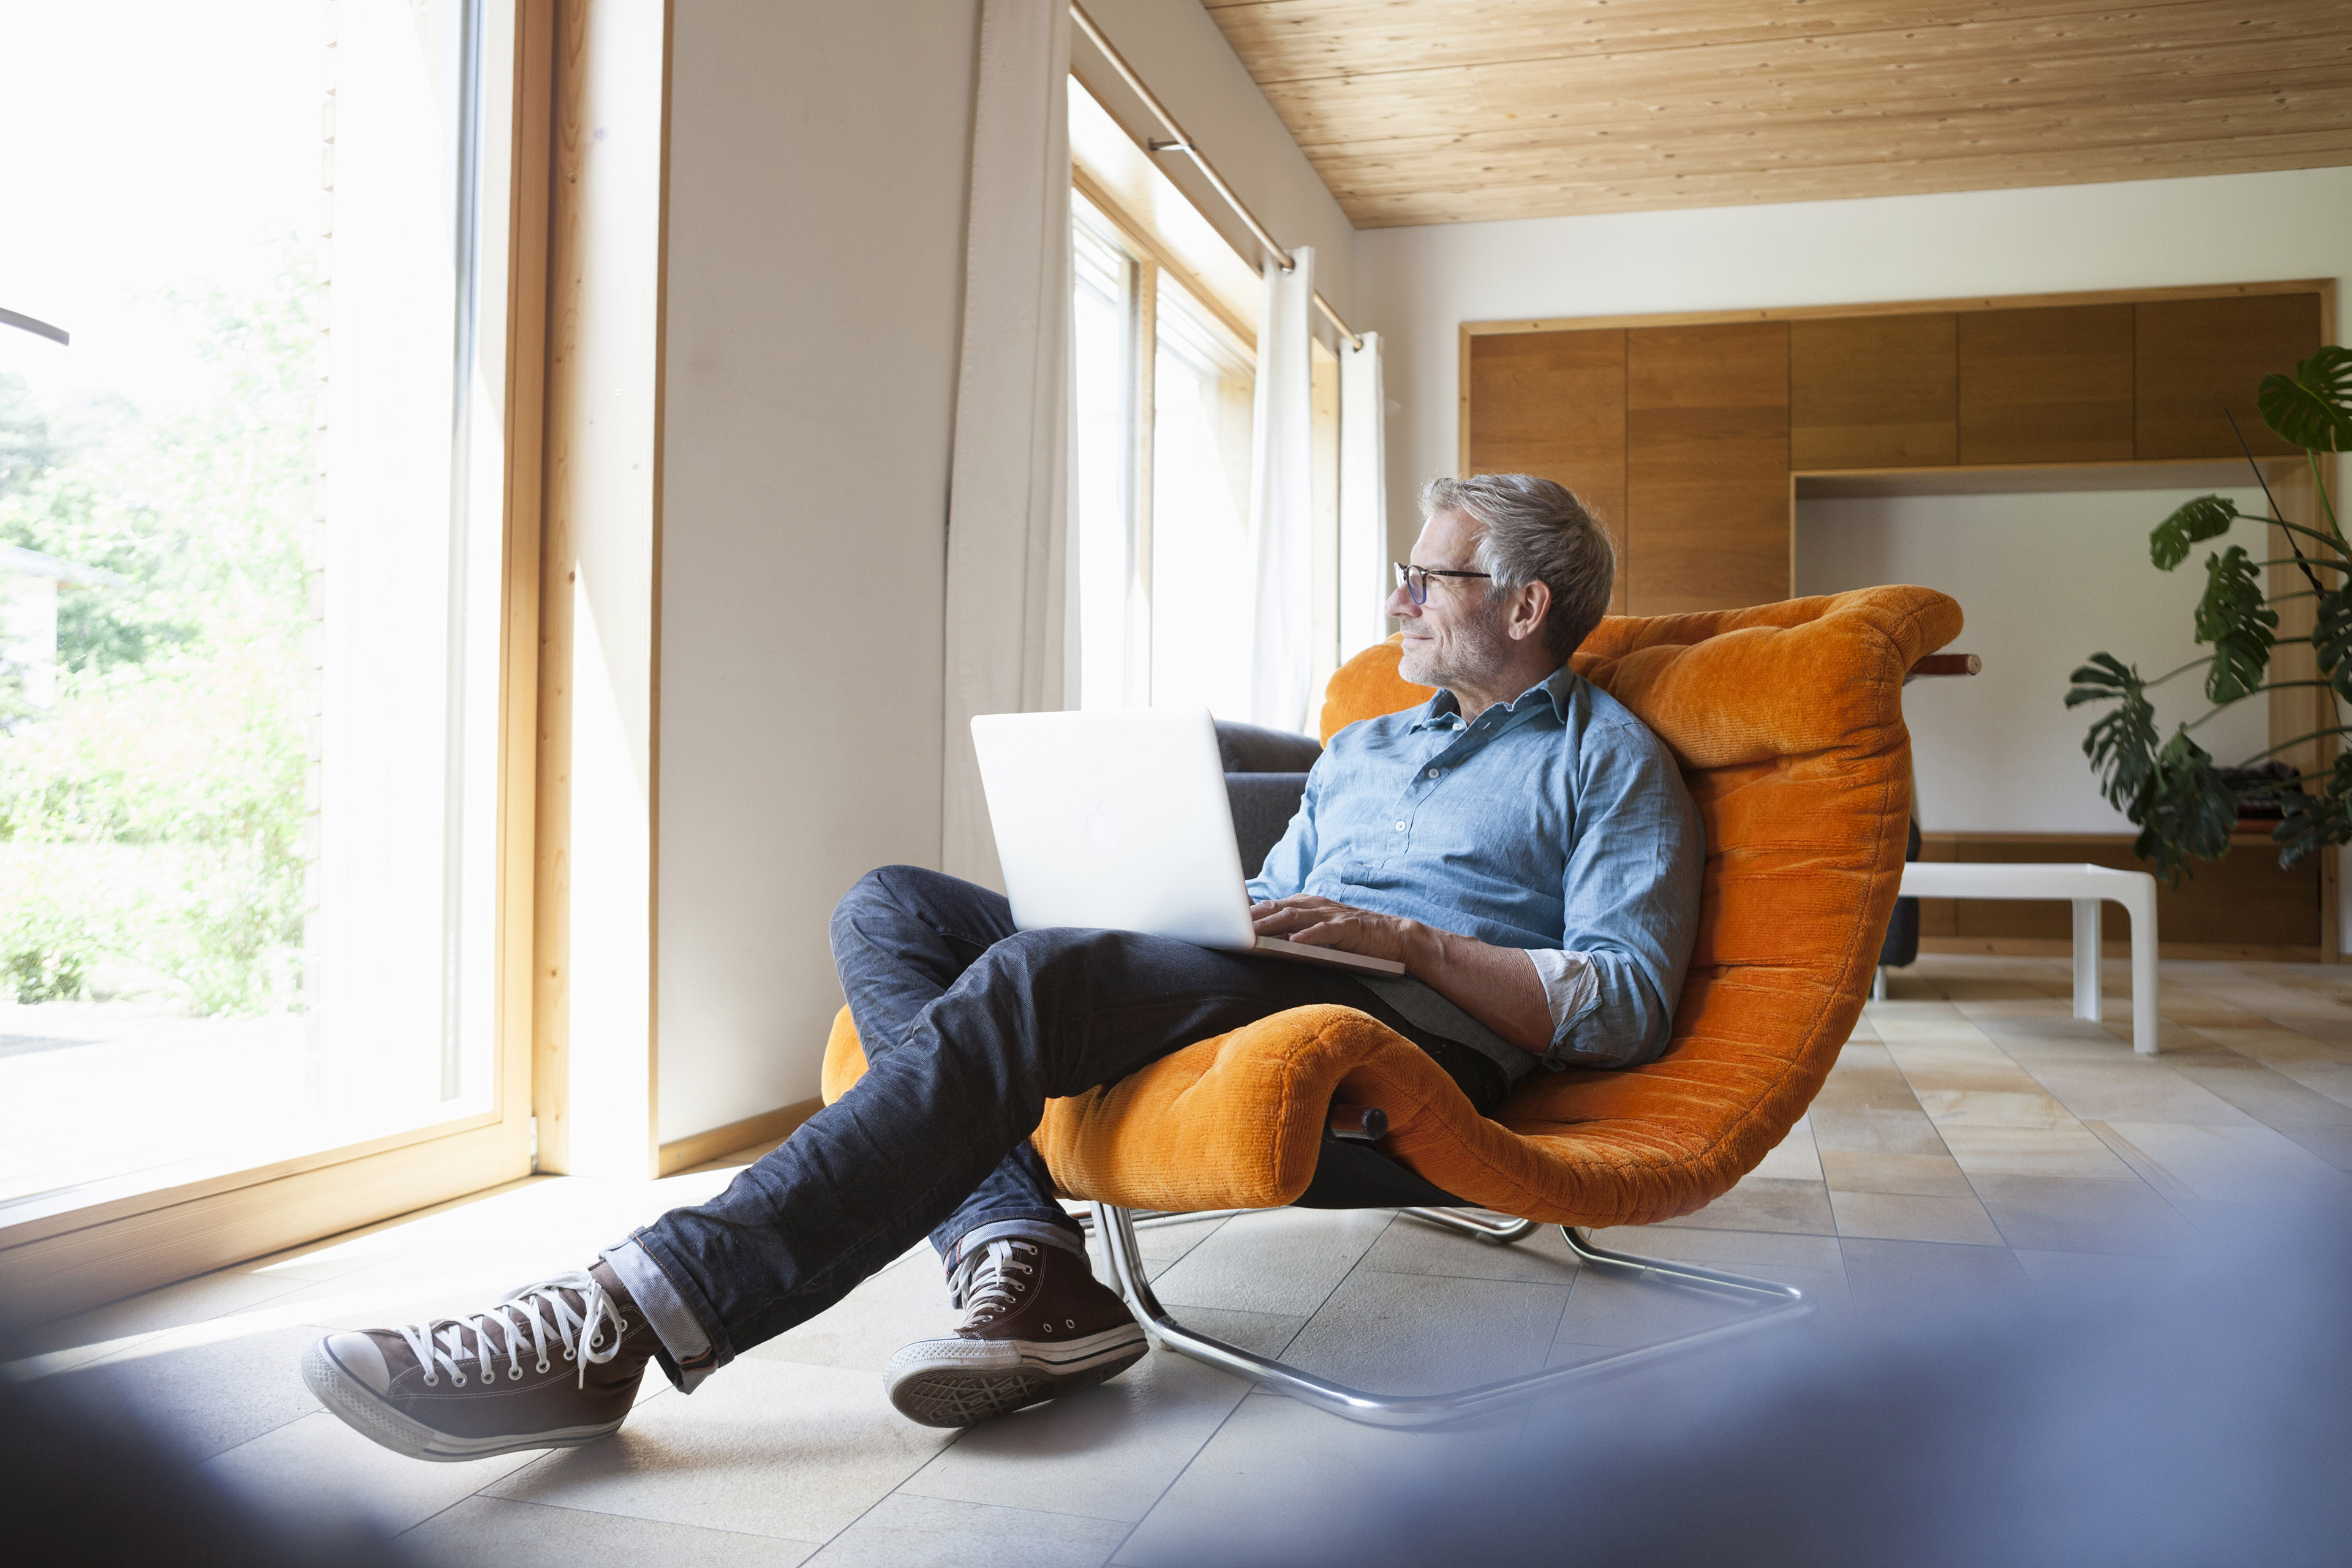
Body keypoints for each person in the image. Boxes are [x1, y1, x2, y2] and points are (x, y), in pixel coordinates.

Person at [299, 473, 1705, 1462]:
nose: (1397, 593)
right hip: (1278, 966)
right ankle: (1024, 1250)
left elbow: (1624, 999)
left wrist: (1409, 940)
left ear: (1525, 604)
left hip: (1411, 1018)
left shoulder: (1607, 760)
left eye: (1430, 573)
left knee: (1034, 976)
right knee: (896, 904)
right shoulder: (1367, 742)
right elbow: (1282, 893)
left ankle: (623, 1318)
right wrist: (1223, 908)